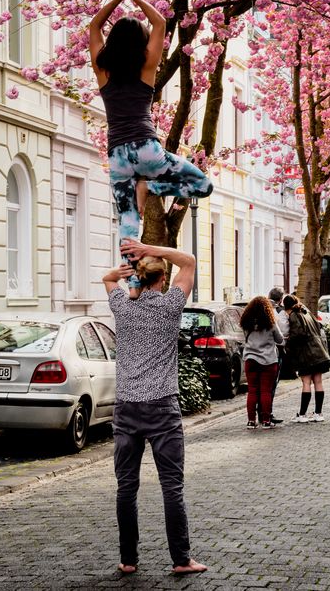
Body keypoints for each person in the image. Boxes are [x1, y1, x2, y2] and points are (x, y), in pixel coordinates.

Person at [91, 0, 213, 296]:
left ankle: (133, 285)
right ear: (140, 43)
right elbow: (160, 23)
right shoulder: (146, 66)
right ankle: (150, 184)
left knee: (128, 222)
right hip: (147, 149)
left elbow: (92, 27)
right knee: (201, 184)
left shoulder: (103, 69)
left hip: (117, 154)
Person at [102, 238, 207, 576]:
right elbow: (189, 261)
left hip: (128, 407)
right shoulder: (170, 306)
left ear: (138, 277)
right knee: (171, 487)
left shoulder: (122, 306)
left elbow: (107, 280)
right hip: (162, 407)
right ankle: (181, 559)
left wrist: (124, 270)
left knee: (126, 487)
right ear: (162, 279)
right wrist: (151, 248)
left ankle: (128, 560)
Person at [281, 295, 330, 423]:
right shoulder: (306, 312)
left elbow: (298, 334)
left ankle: (302, 415)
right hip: (319, 351)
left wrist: (288, 343)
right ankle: (318, 413)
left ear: (286, 307)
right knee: (318, 382)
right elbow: (319, 328)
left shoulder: (294, 315)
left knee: (306, 382)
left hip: (306, 354)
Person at [239, 296, 285, 430]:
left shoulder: (246, 322)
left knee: (252, 390)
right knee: (265, 391)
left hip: (250, 359)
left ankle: (251, 421)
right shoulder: (270, 322)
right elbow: (279, 339)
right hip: (268, 360)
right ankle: (266, 421)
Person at [266, 287, 289, 425]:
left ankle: (256, 415)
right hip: (275, 352)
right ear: (280, 299)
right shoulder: (280, 313)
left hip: (253, 352)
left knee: (257, 387)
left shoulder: (258, 309)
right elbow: (283, 333)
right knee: (271, 385)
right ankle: (268, 413)